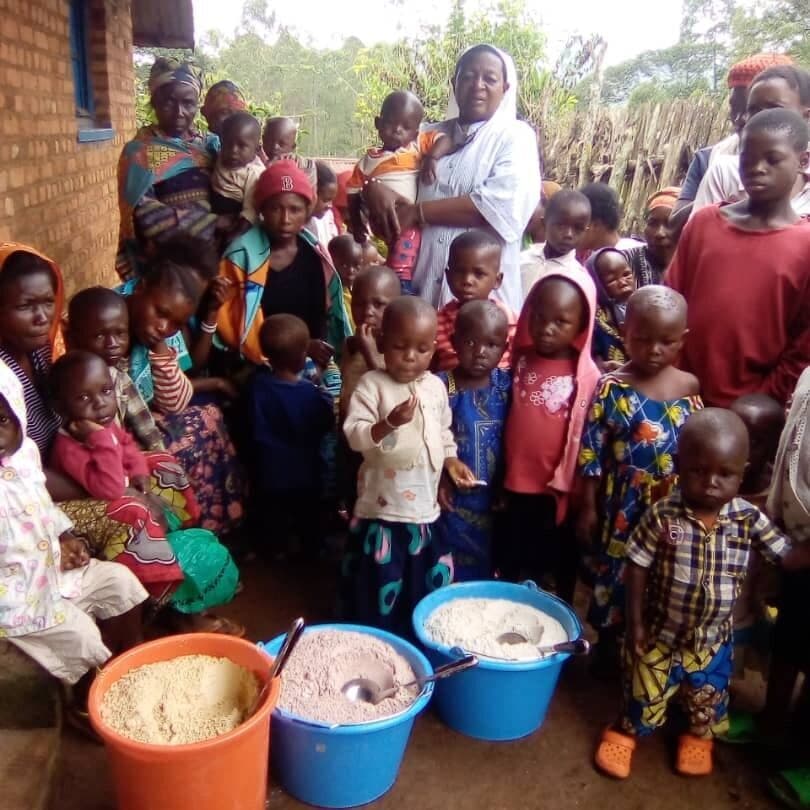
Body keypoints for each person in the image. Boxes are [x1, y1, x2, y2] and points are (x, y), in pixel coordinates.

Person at [594, 408, 810, 780]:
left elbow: (786, 556)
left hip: (711, 640)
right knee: (644, 690)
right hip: (661, 632)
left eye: (724, 474)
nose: (711, 482)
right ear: (680, 466)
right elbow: (637, 565)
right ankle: (625, 730)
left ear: (742, 473)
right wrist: (636, 622)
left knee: (706, 694)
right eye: (698, 470)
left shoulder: (747, 518)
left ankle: (697, 736)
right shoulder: (663, 515)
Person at [0, 359, 147, 728]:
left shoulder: (25, 456)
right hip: (16, 598)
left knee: (121, 583)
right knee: (80, 634)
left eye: (2, 421)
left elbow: (41, 506)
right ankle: (87, 703)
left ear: (18, 415)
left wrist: (65, 536)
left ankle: (120, 669)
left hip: (54, 571)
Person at [577, 287, 702, 673]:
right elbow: (591, 451)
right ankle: (608, 646)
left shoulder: (690, 387)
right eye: (642, 339)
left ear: (683, 339)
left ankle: (646, 650)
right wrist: (587, 506)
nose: (653, 349)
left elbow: (697, 448)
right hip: (622, 504)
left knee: (661, 575)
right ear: (624, 332)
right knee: (616, 570)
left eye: (666, 341)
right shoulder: (613, 386)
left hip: (670, 506)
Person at [361, 44, 541, 312]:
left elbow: (498, 209)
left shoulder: (515, 137)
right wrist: (374, 188)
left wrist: (418, 212)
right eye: (467, 76)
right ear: (454, 83)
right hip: (417, 293)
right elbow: (387, 173)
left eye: (489, 79)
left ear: (505, 87)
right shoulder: (425, 135)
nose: (477, 85)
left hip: (481, 310)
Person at [342, 296, 476, 631]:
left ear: (433, 349)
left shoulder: (434, 387)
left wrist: (451, 460)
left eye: (421, 349)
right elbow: (354, 435)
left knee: (419, 581)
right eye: (401, 346)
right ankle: (377, 634)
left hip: (424, 513)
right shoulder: (372, 385)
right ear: (383, 343)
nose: (410, 357)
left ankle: (413, 633)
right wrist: (388, 422)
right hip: (384, 510)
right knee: (381, 582)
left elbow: (442, 429)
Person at [666, 108, 810, 407]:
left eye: (772, 159)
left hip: (749, 413)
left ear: (803, 162)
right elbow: (670, 300)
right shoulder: (705, 223)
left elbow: (803, 344)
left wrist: (764, 399)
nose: (757, 168)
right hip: (678, 396)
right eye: (748, 158)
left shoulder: (805, 245)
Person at [117, 245, 246, 539]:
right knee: (188, 442)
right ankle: (184, 536)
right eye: (160, 313)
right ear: (143, 287)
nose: (164, 326)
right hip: (115, 429)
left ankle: (212, 532)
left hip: (143, 417)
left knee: (209, 418)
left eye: (174, 322)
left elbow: (173, 400)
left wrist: (159, 347)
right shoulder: (110, 316)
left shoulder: (163, 333)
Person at [501, 266, 599, 602]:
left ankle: (558, 622)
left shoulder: (585, 376)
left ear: (581, 325)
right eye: (539, 316)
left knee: (554, 562)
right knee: (512, 553)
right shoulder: (519, 361)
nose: (546, 328)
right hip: (515, 481)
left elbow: (588, 438)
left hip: (554, 490)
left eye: (561, 321)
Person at [217, 160, 352, 368]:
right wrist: (302, 347)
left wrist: (316, 356)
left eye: (295, 209)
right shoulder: (241, 257)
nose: (285, 219)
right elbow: (232, 325)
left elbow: (323, 318)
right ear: (261, 209)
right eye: (275, 209)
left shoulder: (315, 255)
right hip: (253, 363)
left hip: (310, 362)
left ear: (307, 210)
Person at [116, 57, 218, 281]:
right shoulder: (140, 153)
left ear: (197, 104)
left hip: (213, 268)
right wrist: (215, 224)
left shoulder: (212, 146)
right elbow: (146, 216)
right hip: (164, 270)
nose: (179, 112)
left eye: (188, 103)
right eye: (168, 102)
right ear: (154, 103)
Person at [347, 90, 457, 293]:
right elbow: (352, 193)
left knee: (399, 266)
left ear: (416, 133)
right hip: (379, 224)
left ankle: (401, 291)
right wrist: (356, 224)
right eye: (390, 123)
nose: (397, 130)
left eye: (406, 127)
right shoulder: (367, 161)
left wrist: (432, 157)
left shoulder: (416, 147)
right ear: (378, 123)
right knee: (383, 259)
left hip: (408, 224)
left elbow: (446, 140)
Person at [672, 53, 794, 228]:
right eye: (734, 108)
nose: (740, 119)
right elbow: (675, 225)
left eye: (753, 109)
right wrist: (721, 196)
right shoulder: (709, 160)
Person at [248, 314, 335, 558]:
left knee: (274, 515)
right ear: (301, 359)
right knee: (309, 516)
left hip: (269, 471)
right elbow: (326, 423)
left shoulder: (257, 386)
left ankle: (275, 550)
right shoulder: (311, 394)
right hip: (306, 471)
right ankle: (312, 550)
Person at [436, 301, 511, 580]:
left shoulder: (506, 385)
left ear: (504, 349)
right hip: (451, 500)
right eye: (470, 341)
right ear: (454, 342)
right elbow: (429, 436)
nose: (480, 352)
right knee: (447, 564)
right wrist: (442, 476)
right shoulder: (441, 386)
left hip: (493, 498)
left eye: (491, 344)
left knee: (488, 562)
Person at [692, 65, 810, 216]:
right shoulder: (725, 173)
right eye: (753, 110)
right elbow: (701, 234)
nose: (760, 118)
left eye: (774, 109)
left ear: (807, 116)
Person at [728, 393, 784, 679]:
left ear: (775, 446)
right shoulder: (709, 482)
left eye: (756, 441)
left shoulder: (776, 497)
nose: (744, 448)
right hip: (705, 600)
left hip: (748, 605)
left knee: (733, 663)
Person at [338, 265, 401, 511]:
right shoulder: (351, 343)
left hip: (380, 443)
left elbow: (394, 394)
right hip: (351, 436)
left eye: (379, 304)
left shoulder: (399, 349)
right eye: (359, 304)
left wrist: (370, 352)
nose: (367, 312)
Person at [433, 230, 516, 372]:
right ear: (448, 275)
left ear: (497, 280)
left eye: (478, 274)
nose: (467, 280)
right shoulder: (437, 321)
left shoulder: (509, 319)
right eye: (460, 271)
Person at [520, 189, 591, 297]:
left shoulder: (578, 279)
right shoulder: (522, 260)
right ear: (544, 223)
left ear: (585, 232)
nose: (569, 234)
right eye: (561, 225)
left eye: (578, 228)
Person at [210, 112, 266, 246]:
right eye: (227, 144)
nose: (233, 150)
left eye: (241, 146)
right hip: (213, 216)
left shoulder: (254, 173)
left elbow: (251, 213)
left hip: (238, 222)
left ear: (257, 149)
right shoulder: (220, 158)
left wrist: (234, 235)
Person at [587, 247, 636, 369]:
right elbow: (593, 352)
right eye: (612, 280)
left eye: (626, 274)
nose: (623, 282)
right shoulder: (595, 319)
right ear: (597, 283)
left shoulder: (643, 305)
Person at [623, 188, 680, 287]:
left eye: (670, 223)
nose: (660, 233)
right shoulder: (623, 262)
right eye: (652, 223)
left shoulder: (697, 269)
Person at [578, 182, 643, 263]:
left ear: (596, 225)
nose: (572, 233)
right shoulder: (590, 259)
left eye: (577, 226)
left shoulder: (634, 255)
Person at [262, 116, 317, 187]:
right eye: (270, 141)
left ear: (293, 147)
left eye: (282, 144)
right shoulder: (253, 162)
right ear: (263, 140)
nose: (275, 147)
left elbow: (307, 193)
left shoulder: (305, 165)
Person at [328, 234, 363, 332]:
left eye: (356, 265)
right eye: (343, 265)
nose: (351, 271)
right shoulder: (330, 295)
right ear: (331, 262)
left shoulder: (355, 292)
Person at [307, 161, 341, 248]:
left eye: (331, 200)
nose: (330, 206)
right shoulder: (300, 228)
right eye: (326, 200)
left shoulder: (324, 219)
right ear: (311, 193)